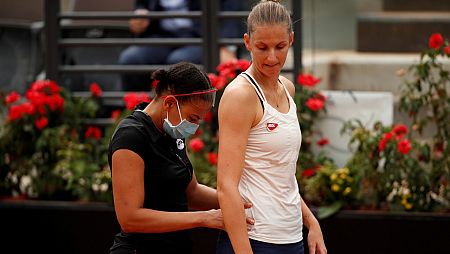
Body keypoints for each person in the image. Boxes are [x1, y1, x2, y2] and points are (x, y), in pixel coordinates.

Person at [216, 1, 327, 254]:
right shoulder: (240, 96)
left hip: (291, 237)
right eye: (262, 47)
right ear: (247, 42)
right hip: (254, 240)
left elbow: (281, 175)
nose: (272, 57)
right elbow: (226, 187)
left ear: (291, 39)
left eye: (280, 46)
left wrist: (311, 222)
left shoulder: (288, 89)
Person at [108, 62, 253, 254]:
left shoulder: (173, 131)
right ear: (169, 103)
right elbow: (130, 219)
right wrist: (205, 218)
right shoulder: (131, 137)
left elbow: (191, 192)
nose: (195, 126)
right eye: (193, 118)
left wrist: (238, 201)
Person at [118, 0, 242, 91]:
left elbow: (231, 7)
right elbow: (142, 5)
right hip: (160, 34)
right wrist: (139, 16)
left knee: (178, 64)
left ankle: (186, 119)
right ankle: (141, 118)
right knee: (131, 59)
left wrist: (227, 45)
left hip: (201, 36)